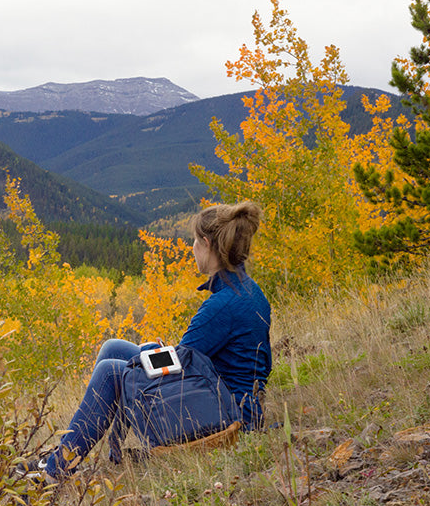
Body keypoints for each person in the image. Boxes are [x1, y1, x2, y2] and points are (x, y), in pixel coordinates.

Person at [36, 201, 272, 479]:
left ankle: (55, 472)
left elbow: (178, 365)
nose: (192, 248)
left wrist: (151, 351)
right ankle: (68, 449)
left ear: (207, 244)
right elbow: (196, 357)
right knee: (113, 347)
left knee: (110, 371)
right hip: (230, 398)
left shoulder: (220, 305)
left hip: (226, 413)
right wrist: (159, 352)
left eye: (195, 241)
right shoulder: (248, 289)